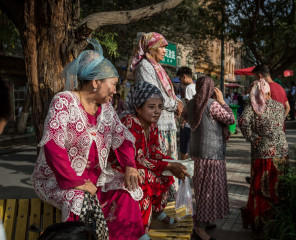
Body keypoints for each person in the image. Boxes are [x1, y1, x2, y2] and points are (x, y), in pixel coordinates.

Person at [31, 39, 146, 240]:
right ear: (96, 83)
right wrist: (75, 182)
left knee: (126, 191)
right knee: (80, 199)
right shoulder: (63, 101)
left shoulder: (107, 109)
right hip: (58, 180)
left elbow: (123, 138)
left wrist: (130, 166)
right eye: (113, 84)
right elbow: (52, 145)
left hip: (95, 181)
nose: (115, 91)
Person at [117, 81, 189, 234]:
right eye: (151, 107)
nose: (157, 111)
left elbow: (155, 152)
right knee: (147, 177)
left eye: (159, 107)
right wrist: (168, 165)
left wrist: (173, 163)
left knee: (166, 175)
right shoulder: (130, 122)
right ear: (138, 108)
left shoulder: (151, 124)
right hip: (122, 167)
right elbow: (138, 158)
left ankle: (156, 211)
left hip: (139, 164)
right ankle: (141, 230)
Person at [185, 76, 235, 240]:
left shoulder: (192, 103)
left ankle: (205, 220)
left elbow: (185, 117)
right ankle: (199, 228)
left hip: (196, 153)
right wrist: (222, 101)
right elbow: (231, 119)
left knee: (201, 190)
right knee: (208, 191)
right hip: (212, 154)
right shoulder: (212, 105)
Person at [238, 79, 289, 239]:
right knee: (277, 188)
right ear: (268, 91)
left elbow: (242, 122)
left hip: (264, 154)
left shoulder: (253, 106)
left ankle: (260, 225)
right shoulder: (279, 106)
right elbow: (279, 123)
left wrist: (253, 137)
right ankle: (277, 223)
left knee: (261, 190)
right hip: (281, 152)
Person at [131, 32, 183, 160]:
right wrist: (175, 104)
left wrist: (177, 101)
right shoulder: (145, 66)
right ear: (151, 47)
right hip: (157, 127)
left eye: (165, 47)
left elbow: (167, 91)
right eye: (162, 47)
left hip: (166, 126)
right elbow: (154, 96)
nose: (165, 51)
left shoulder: (157, 67)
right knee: (161, 168)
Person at [177, 66, 196, 160]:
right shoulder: (197, 86)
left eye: (180, 78)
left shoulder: (188, 88)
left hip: (188, 124)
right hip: (195, 123)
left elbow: (189, 106)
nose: (180, 81)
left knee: (184, 149)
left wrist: (184, 120)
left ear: (184, 76)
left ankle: (184, 170)